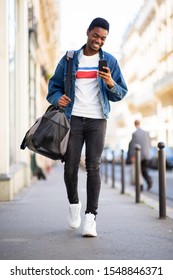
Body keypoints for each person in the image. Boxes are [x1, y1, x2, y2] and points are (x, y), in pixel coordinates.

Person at [47, 17, 128, 237]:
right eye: (96, 36)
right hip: (73, 118)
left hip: (97, 119)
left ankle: (91, 217)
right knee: (70, 166)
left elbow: (121, 92)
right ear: (88, 32)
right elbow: (53, 87)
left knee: (93, 166)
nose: (98, 41)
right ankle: (74, 204)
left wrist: (110, 82)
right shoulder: (70, 59)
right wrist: (57, 99)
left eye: (103, 38)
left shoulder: (109, 61)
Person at [129, 120, 152, 191]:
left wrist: (132, 156)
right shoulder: (146, 133)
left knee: (139, 171)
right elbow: (149, 144)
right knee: (144, 170)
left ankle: (142, 185)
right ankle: (147, 181)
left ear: (135, 125)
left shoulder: (135, 134)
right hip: (147, 155)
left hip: (139, 156)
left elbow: (133, 145)